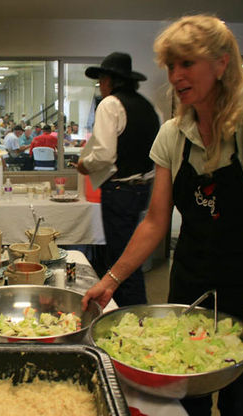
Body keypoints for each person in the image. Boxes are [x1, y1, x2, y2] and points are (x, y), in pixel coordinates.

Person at [82, 15, 243, 415]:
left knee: (242, 401)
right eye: (171, 66)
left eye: (187, 63)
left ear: (222, 63)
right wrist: (112, 279)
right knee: (185, 399)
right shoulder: (173, 133)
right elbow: (155, 220)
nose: (176, 75)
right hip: (189, 289)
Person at [76, 52, 160, 306]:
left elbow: (103, 154)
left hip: (120, 189)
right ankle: (128, 310)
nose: (100, 86)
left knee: (121, 261)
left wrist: (84, 165)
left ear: (110, 81)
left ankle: (131, 314)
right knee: (132, 254)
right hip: (144, 187)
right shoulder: (149, 107)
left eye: (102, 80)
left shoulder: (110, 104)